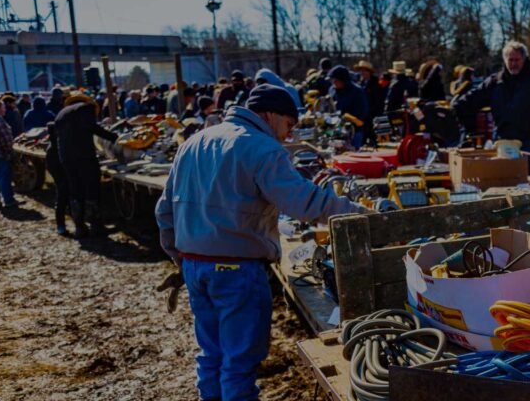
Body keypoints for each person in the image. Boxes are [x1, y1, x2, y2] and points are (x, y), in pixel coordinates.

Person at [155, 83, 366, 401]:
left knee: (211, 355)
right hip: (237, 270)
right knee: (239, 362)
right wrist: (359, 214)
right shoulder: (262, 148)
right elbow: (304, 202)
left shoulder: (194, 142)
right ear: (269, 115)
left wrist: (179, 256)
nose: (289, 134)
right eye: (289, 124)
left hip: (195, 266)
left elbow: (164, 210)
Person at [453, 41, 530, 175]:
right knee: (503, 179)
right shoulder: (494, 82)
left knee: (529, 182)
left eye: (517, 60)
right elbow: (466, 104)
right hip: (502, 142)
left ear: (524, 59)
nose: (514, 64)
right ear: (504, 60)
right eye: (510, 60)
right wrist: (469, 131)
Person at [54, 94, 118, 238]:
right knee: (92, 188)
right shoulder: (86, 108)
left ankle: (80, 227)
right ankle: (96, 226)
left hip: (66, 157)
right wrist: (114, 137)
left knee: (75, 190)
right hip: (84, 156)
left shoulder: (61, 114)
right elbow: (92, 128)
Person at [328, 65, 370, 148]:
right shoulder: (332, 90)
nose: (334, 82)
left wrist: (348, 118)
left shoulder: (357, 91)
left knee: (354, 151)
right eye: (332, 80)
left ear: (343, 80)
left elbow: (363, 112)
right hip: (335, 130)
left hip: (354, 131)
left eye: (336, 80)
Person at [45, 121, 70, 235]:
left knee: (62, 196)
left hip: (58, 173)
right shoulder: (59, 145)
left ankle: (62, 224)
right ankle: (61, 225)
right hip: (61, 173)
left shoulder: (51, 145)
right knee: (62, 196)